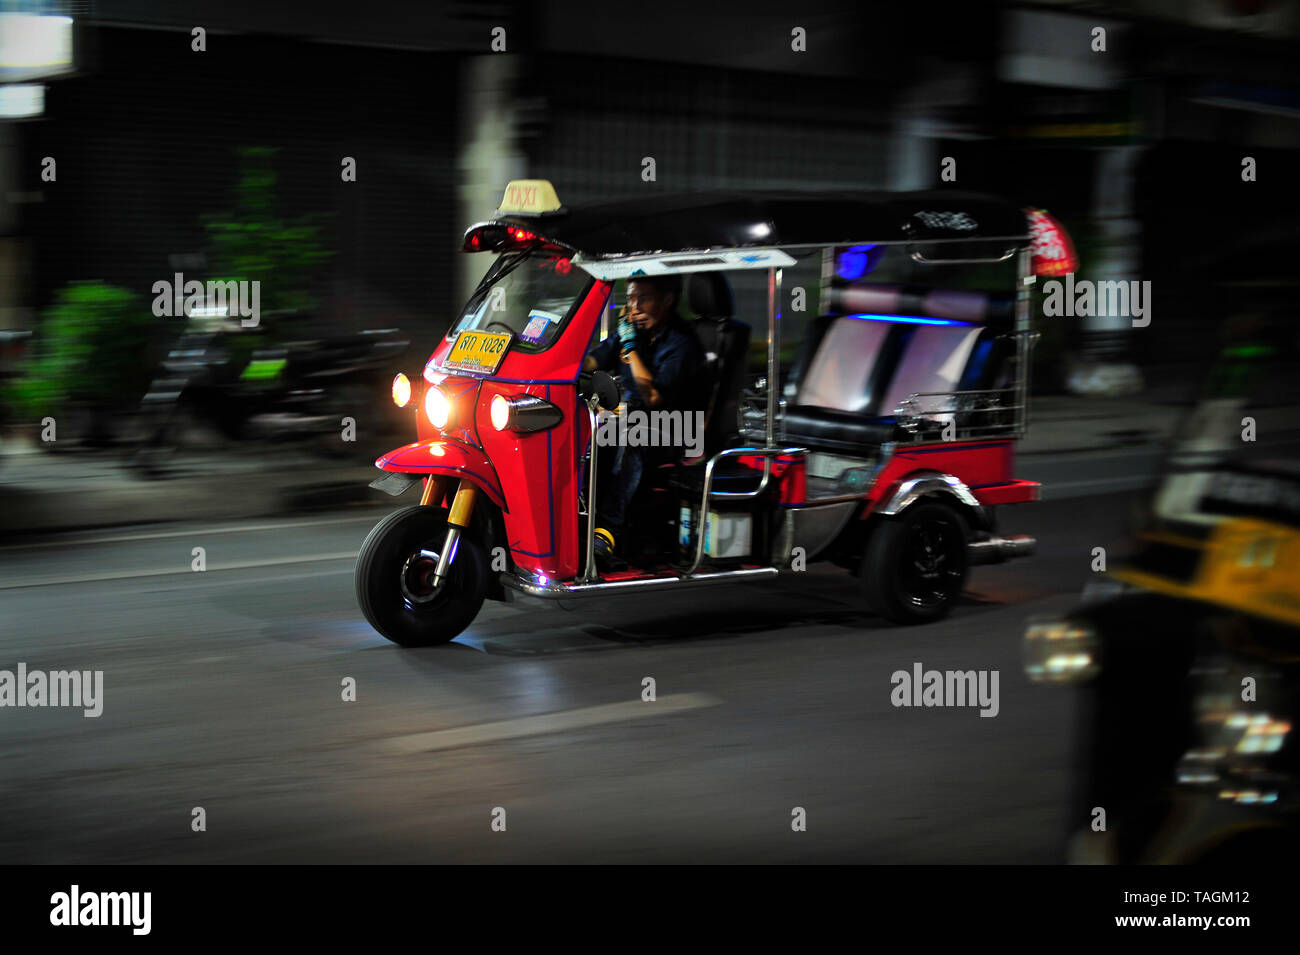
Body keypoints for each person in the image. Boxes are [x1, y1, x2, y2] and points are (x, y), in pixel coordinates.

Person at [583, 274, 703, 566]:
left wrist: (630, 348)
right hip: (633, 422)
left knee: (635, 434)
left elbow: (655, 398)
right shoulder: (631, 330)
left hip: (681, 428)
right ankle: (582, 521)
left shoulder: (682, 342)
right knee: (592, 432)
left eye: (643, 299)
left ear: (667, 301)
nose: (634, 307)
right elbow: (592, 362)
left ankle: (607, 531)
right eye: (630, 299)